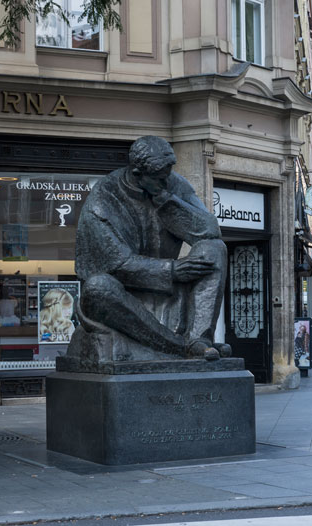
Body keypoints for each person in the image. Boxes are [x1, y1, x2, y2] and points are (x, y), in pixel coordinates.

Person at [74, 136, 228, 361]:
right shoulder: (104, 196)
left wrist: (166, 200)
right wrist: (172, 270)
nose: (167, 182)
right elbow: (115, 265)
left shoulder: (172, 184)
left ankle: (198, 339)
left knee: (213, 249)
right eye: (160, 179)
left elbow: (209, 230)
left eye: (168, 176)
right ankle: (178, 347)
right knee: (97, 287)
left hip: (170, 293)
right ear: (137, 174)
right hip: (124, 296)